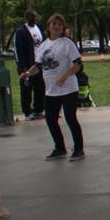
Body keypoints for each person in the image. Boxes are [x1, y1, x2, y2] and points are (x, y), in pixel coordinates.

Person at [18, 14, 85, 161]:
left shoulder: (67, 43)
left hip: (68, 88)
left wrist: (64, 76)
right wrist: (27, 73)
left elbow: (78, 64)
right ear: (48, 27)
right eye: (54, 24)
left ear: (63, 28)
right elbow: (38, 66)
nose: (57, 26)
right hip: (51, 90)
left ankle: (79, 149)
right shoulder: (43, 46)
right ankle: (60, 148)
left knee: (70, 118)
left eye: (60, 24)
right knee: (50, 119)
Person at [14, 8, 46, 120]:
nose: (34, 18)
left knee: (40, 88)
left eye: (35, 16)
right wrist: (22, 67)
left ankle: (38, 110)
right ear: (27, 17)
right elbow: (18, 50)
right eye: (31, 16)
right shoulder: (21, 32)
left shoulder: (39, 29)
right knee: (26, 89)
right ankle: (27, 112)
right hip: (27, 66)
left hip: (39, 64)